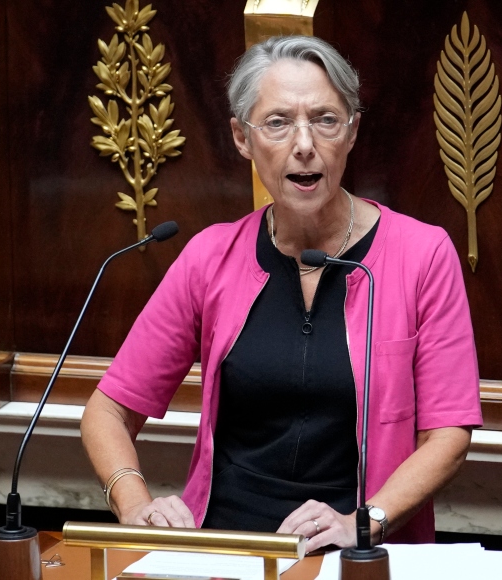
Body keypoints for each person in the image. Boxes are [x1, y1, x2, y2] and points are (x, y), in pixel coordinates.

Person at [80, 35, 481, 552]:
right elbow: (107, 410)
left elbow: (448, 436)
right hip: (225, 548)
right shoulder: (210, 257)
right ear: (242, 138)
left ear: (353, 130)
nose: (304, 143)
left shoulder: (422, 255)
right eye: (277, 122)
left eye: (325, 119)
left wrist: (362, 521)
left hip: (355, 549)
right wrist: (134, 506)